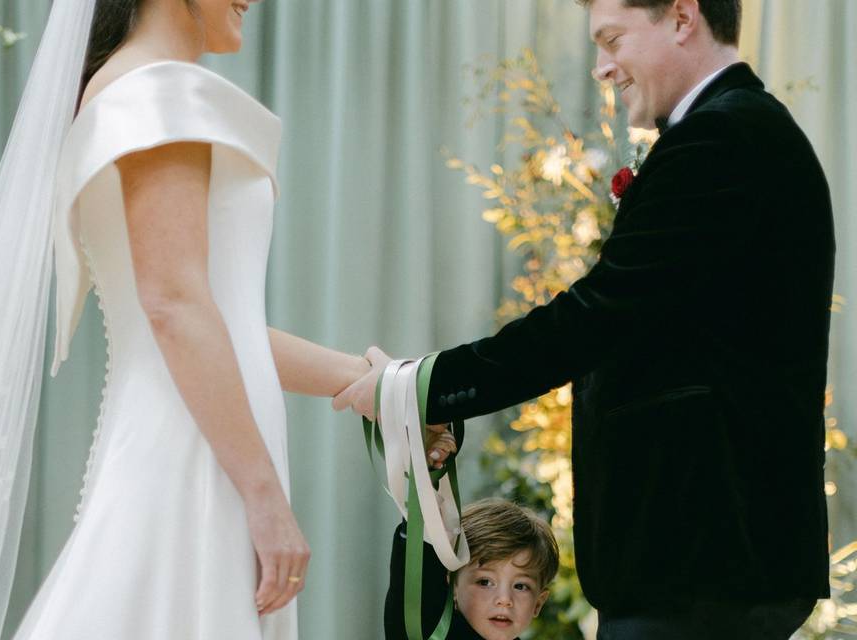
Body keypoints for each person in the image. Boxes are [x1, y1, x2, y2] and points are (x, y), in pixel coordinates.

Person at [337, 1, 835, 638]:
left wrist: (421, 386)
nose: (602, 68)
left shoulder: (723, 138)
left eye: (612, 39)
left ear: (682, 17)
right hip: (707, 558)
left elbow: (594, 318)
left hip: (700, 555)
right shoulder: (742, 132)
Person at [0, 0, 373, 637]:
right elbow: (174, 307)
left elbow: (209, 321)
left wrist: (378, 381)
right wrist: (264, 499)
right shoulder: (158, 92)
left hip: (196, 426)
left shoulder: (132, 89)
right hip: (195, 446)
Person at [384, 497, 559, 640]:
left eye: (520, 586)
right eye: (485, 582)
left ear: (538, 603)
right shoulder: (432, 632)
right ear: (453, 586)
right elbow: (412, 593)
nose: (505, 599)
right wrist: (421, 520)